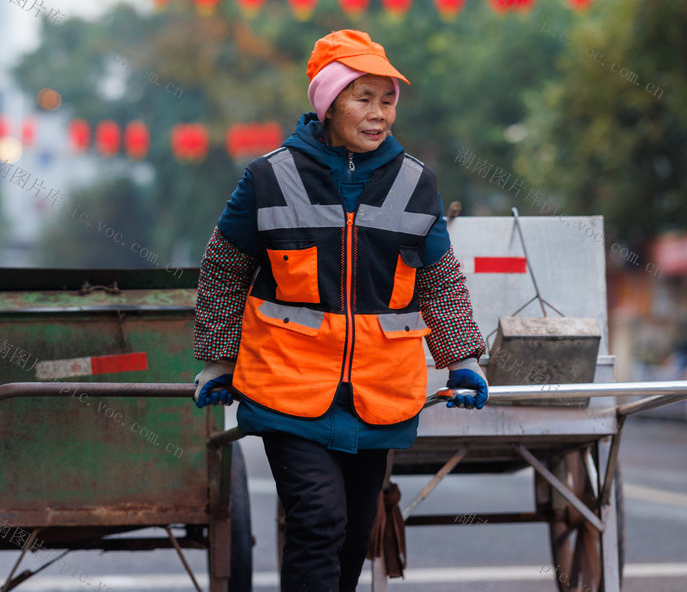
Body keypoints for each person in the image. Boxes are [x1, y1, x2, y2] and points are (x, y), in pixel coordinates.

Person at [192, 29, 488, 592]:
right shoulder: (269, 177)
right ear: (327, 104)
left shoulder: (415, 183)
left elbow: (440, 279)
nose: (379, 114)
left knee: (355, 530)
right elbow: (224, 271)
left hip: (378, 392)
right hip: (288, 387)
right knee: (318, 518)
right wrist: (218, 358)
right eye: (363, 98)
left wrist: (463, 358)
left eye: (388, 100)